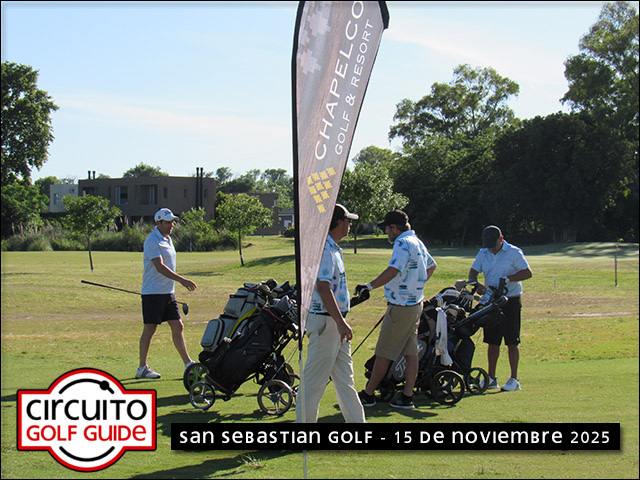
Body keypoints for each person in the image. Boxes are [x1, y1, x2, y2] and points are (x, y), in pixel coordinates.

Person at [355, 210, 436, 410]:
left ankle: (368, 394)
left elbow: (393, 270)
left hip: (401, 307)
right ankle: (407, 397)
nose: (386, 232)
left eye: (387, 228)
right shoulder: (416, 241)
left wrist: (369, 286)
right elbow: (431, 266)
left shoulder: (402, 243)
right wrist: (416, 285)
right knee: (410, 352)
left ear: (394, 227)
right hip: (415, 304)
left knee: (384, 352)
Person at [296, 204, 366, 423]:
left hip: (334, 322)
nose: (350, 225)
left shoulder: (332, 247)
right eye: (348, 221)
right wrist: (340, 322)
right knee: (314, 382)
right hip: (327, 322)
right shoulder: (324, 249)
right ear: (338, 223)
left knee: (345, 380)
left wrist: (341, 322)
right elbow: (323, 287)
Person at [467, 225, 532, 392]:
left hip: (511, 300)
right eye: (488, 245)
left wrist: (509, 278)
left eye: (493, 244)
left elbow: (527, 273)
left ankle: (514, 379)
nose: (491, 248)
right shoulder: (483, 253)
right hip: (492, 301)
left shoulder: (513, 252)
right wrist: (477, 285)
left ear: (501, 239)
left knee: (512, 340)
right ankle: (491, 378)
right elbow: (472, 273)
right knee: (492, 340)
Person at [136, 208, 198, 380]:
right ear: (159, 222)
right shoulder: (152, 241)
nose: (172, 225)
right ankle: (142, 368)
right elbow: (159, 267)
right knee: (150, 329)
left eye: (173, 222)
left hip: (167, 293)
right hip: (153, 292)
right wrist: (182, 280)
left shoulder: (168, 239)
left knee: (178, 326)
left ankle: (188, 364)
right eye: (168, 222)